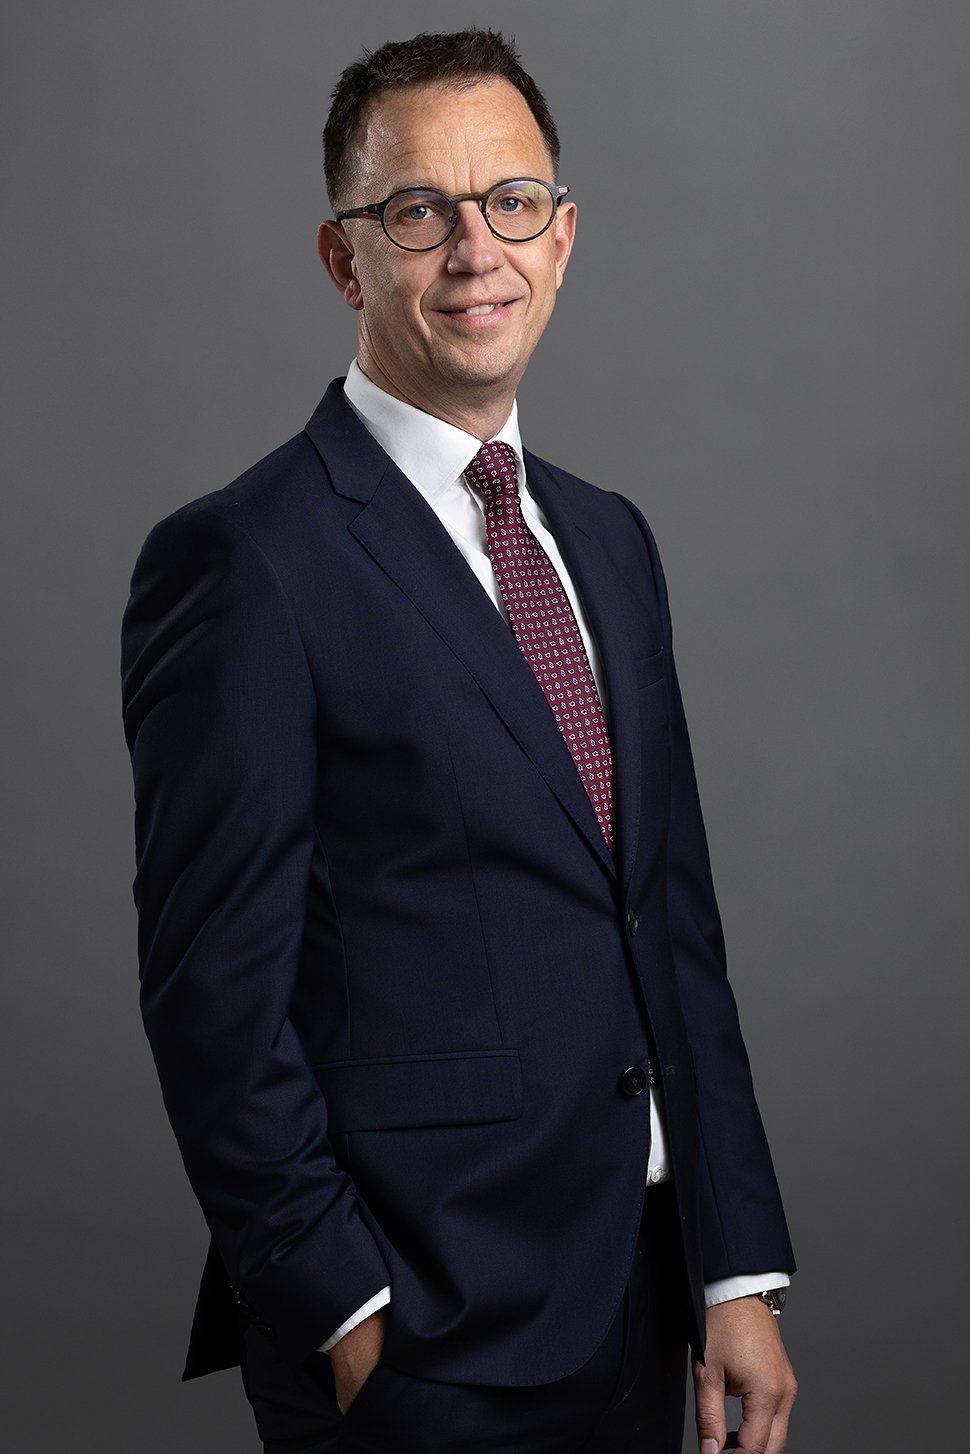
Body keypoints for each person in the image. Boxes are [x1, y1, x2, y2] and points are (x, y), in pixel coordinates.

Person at [122, 28, 797, 1454]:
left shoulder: (608, 540)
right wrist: (345, 1312)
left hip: (641, 1295)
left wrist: (732, 1268)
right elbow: (211, 997)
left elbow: (668, 922)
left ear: (564, 236)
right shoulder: (249, 560)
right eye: (418, 210)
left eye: (513, 203)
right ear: (344, 258)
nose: (475, 250)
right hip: (420, 1325)